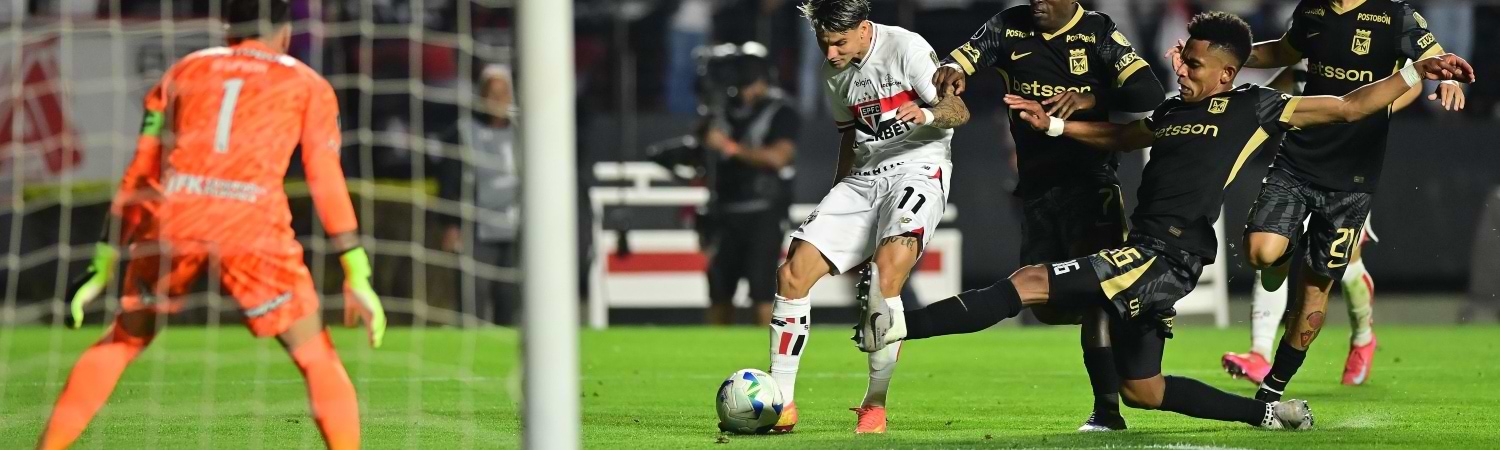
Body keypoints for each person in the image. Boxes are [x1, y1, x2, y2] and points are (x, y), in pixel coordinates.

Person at [859, 11, 1473, 430]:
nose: (1183, 69)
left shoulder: (1257, 106)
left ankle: (898, 327)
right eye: (1185, 60)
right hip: (1151, 251)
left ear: (1228, 74)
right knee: (1143, 390)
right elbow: (1124, 135)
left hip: (1167, 254)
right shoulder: (1176, 106)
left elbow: (1347, 106)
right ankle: (1266, 414)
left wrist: (1419, 70)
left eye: (1196, 64)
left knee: (1028, 283)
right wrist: (1054, 126)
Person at [37, 1, 385, 449]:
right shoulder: (305, 82)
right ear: (285, 33)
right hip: (252, 222)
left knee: (123, 339)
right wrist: (355, 270)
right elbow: (324, 176)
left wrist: (103, 261)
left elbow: (141, 171)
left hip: (175, 216)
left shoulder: (184, 70)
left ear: (227, 28)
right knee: (316, 355)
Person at [1211, 0, 1465, 402]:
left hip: (1353, 173)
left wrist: (1447, 79)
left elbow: (1433, 59)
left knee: (1324, 281)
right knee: (1261, 253)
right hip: (1299, 156)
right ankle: (1288, 253)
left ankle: (1275, 385)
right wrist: (1221, 54)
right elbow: (1284, 52)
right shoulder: (1312, 9)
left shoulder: (1394, 15)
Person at [931, 0, 1165, 432]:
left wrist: (1092, 95)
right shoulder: (1009, 25)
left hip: (1090, 179)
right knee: (1048, 309)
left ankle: (1107, 412)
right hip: (1037, 187)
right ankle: (1131, 307)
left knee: (1095, 290)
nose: (1037, 1)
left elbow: (1150, 92)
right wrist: (951, 70)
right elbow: (964, 56)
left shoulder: (1097, 31)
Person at [765, 0, 969, 434]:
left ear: (863, 28)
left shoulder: (906, 47)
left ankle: (874, 404)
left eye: (839, 42)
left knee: (885, 277)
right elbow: (849, 136)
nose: (831, 52)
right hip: (863, 178)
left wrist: (928, 113)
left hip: (918, 168)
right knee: (792, 274)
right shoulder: (832, 71)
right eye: (824, 42)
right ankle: (781, 402)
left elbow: (959, 112)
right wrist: (839, 192)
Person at [694, 44, 802, 326]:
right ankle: (712, 355)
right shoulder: (723, 110)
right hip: (725, 208)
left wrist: (729, 147)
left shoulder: (781, 110)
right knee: (719, 290)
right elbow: (701, 150)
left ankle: (770, 359)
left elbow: (779, 157)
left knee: (762, 288)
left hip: (762, 211)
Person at [444, 64, 520, 325]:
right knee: (472, 302)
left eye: (504, 93)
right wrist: (452, 226)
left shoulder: (524, 133)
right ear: (482, 95)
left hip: (516, 230)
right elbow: (449, 181)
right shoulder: (464, 131)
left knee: (509, 301)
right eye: (493, 93)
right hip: (478, 229)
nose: (499, 99)